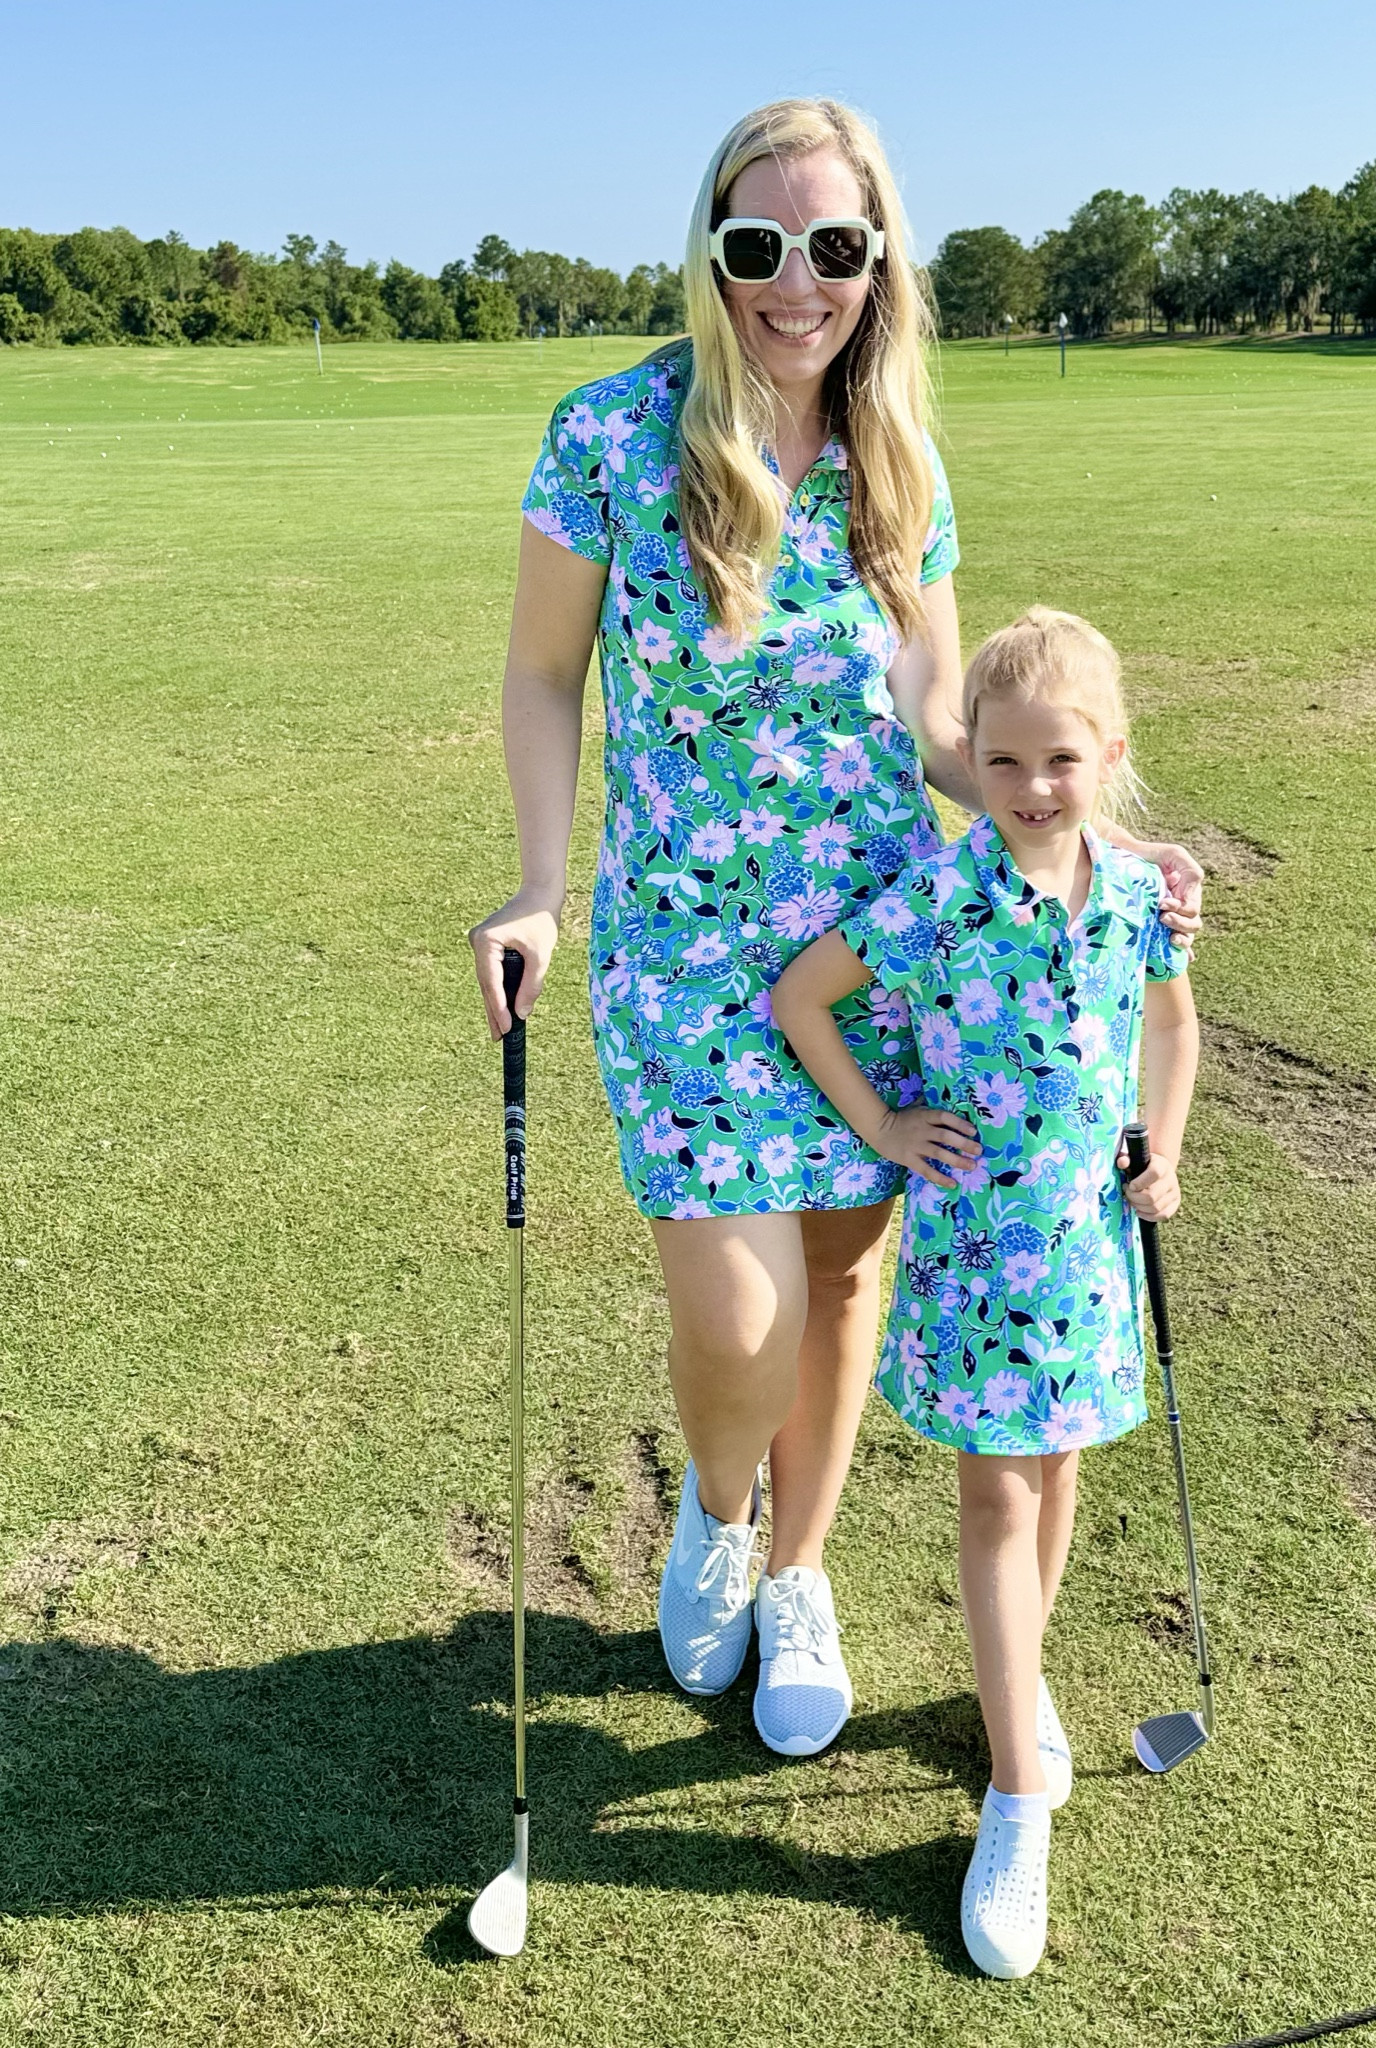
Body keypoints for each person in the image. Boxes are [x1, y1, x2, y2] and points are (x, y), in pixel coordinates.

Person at [469, 96, 1204, 1760]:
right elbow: (538, 675)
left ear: (881, 262)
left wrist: (1083, 827)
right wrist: (537, 883)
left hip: (879, 943)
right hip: (679, 946)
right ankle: (719, 1514)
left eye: (834, 248)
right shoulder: (608, 437)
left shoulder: (899, 462)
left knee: (843, 1278)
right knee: (738, 1323)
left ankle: (798, 1569)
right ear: (711, 252)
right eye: (757, 246)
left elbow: (943, 712)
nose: (793, 283)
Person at [771, 607, 1200, 1976]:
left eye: (1058, 763)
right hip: (975, 1259)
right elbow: (803, 999)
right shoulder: (940, 893)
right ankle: (1017, 1789)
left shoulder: (1138, 893)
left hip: (1081, 1249)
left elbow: (1169, 1021)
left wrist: (1163, 1152)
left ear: (1108, 756)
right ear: (971, 759)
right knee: (996, 1494)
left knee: (1057, 1471)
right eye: (1002, 763)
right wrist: (887, 1128)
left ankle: (1015, 1697)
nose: (1029, 791)